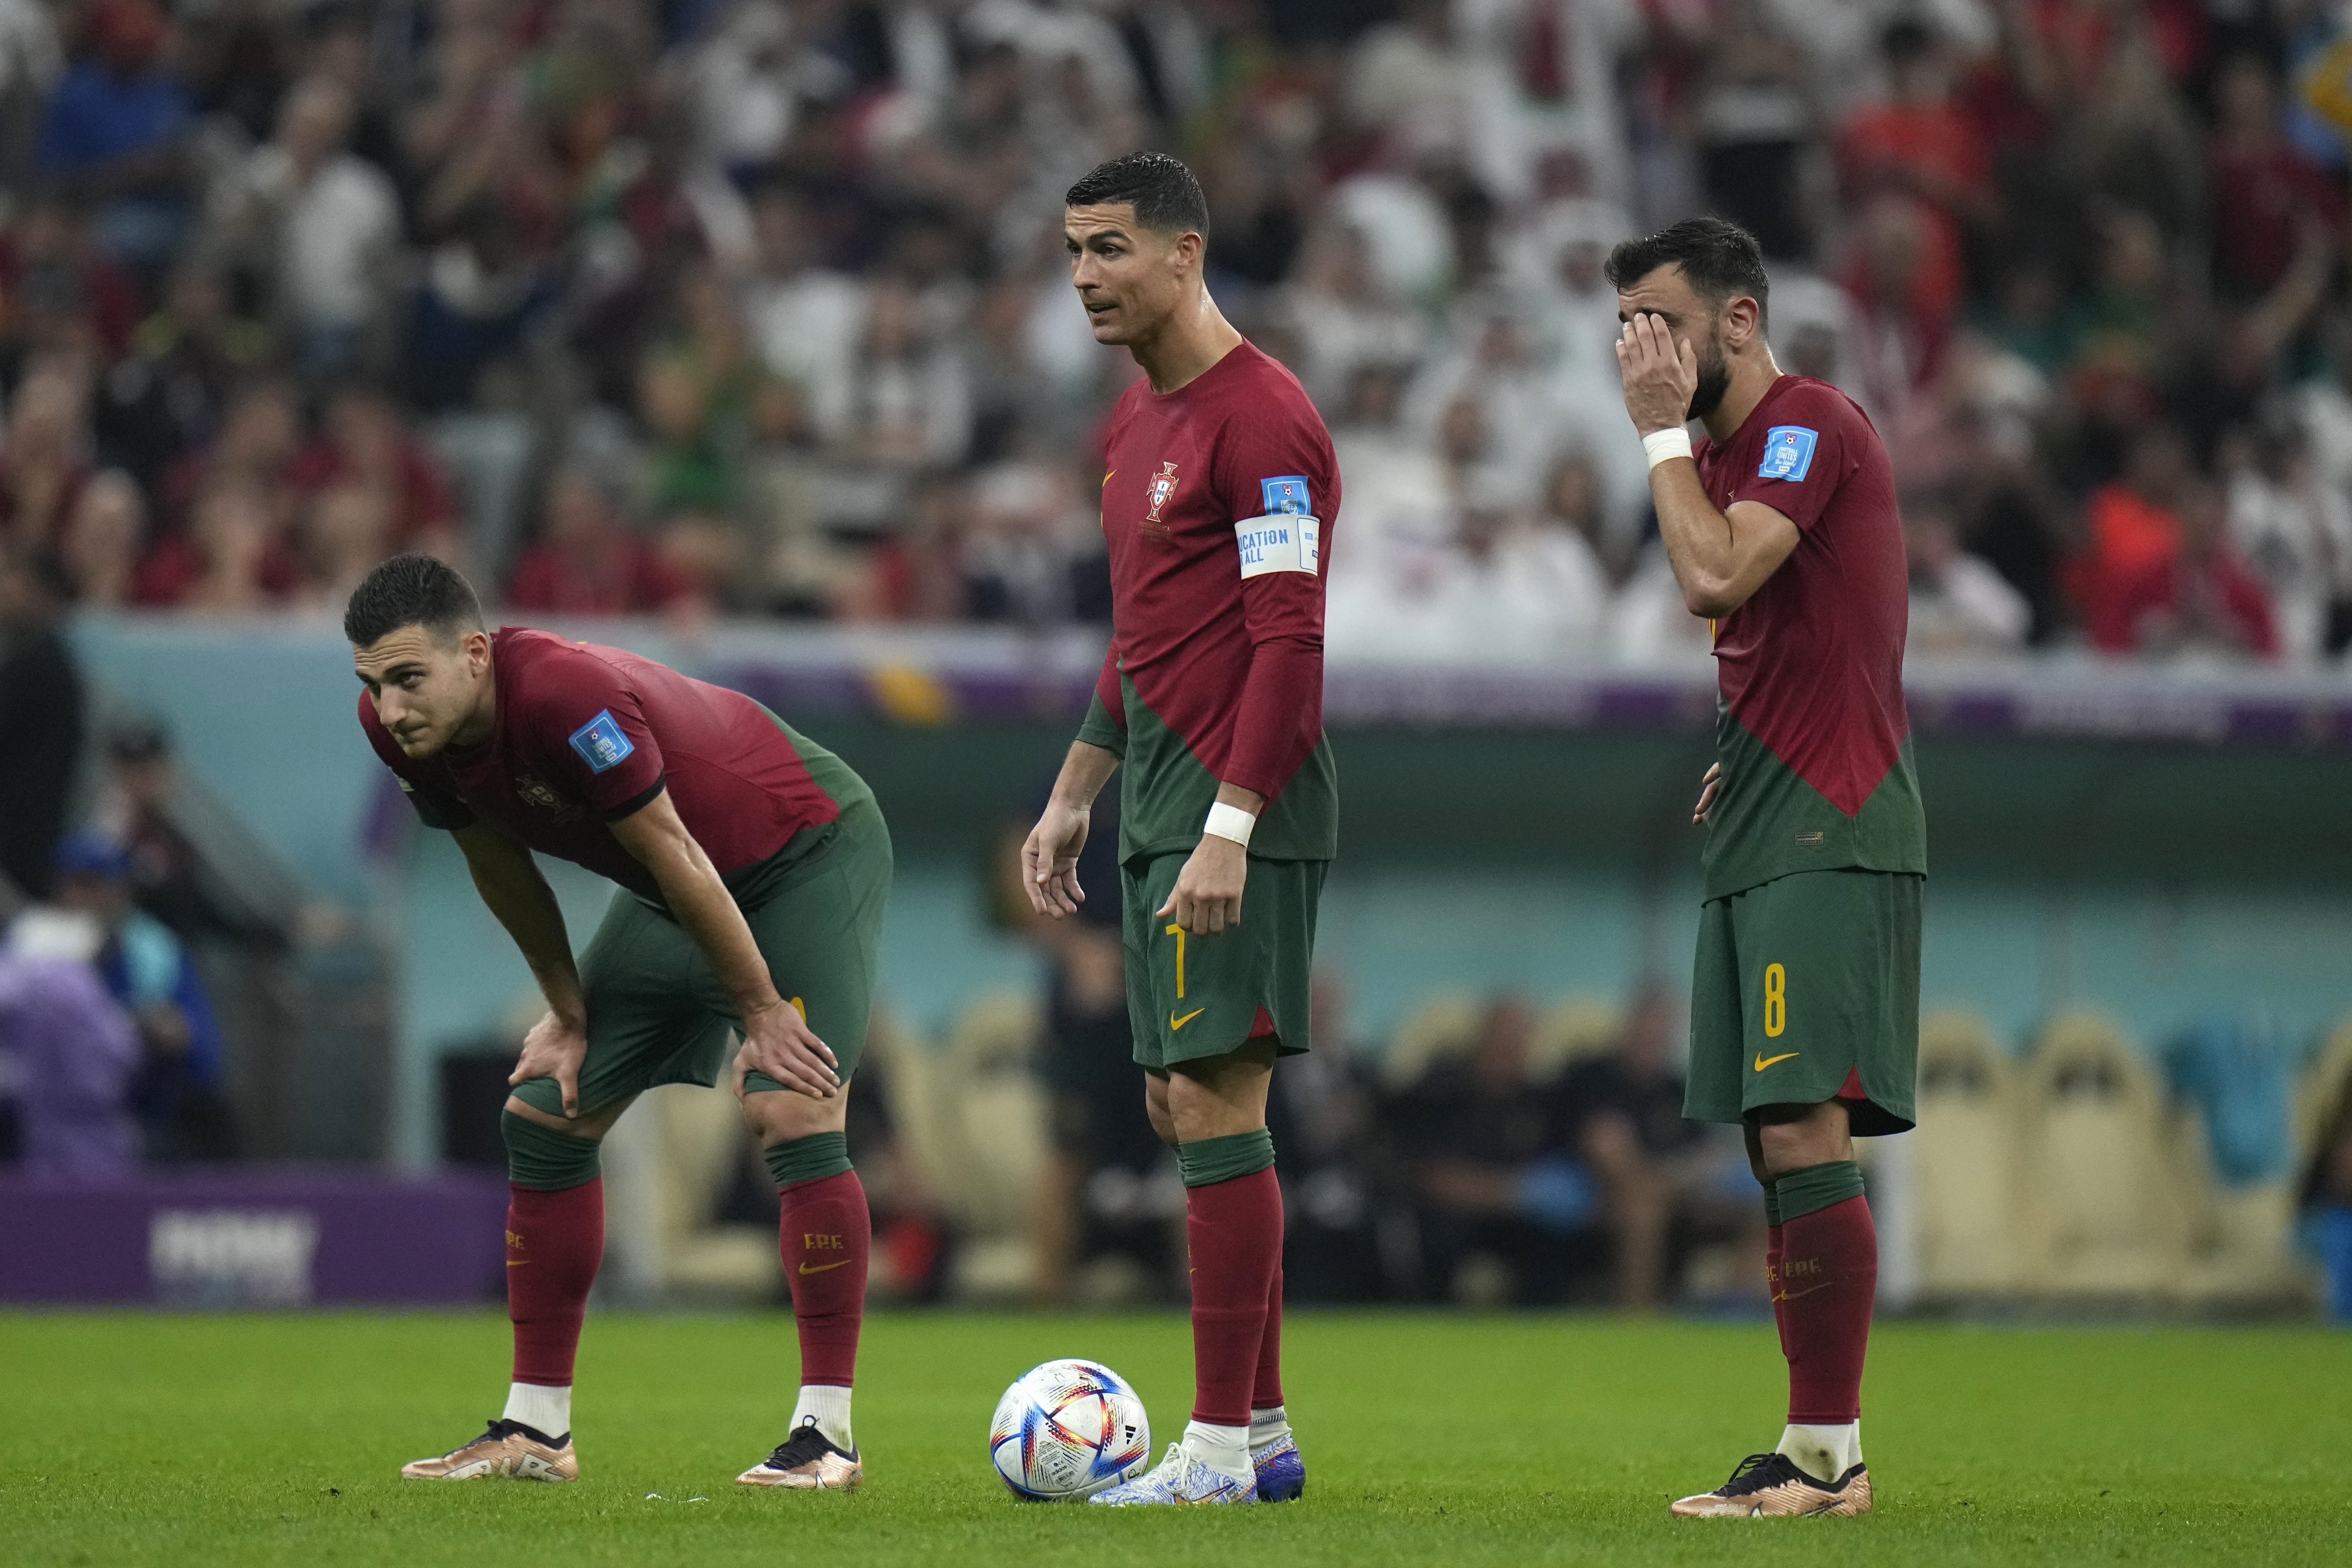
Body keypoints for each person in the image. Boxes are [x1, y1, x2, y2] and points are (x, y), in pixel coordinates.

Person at [344, 553, 891, 1491]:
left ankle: (825, 1434)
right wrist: (565, 1013)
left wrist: (760, 1011)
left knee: (790, 1104)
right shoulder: (405, 736)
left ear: (475, 654)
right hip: (681, 883)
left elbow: (673, 847)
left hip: (804, 851)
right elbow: (501, 867)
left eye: (407, 678)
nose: (389, 708)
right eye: (372, 685)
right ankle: (537, 1429)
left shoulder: (565, 695)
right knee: (546, 1109)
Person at [1021, 152, 1338, 1507]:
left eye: (1109, 248)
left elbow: (1289, 642)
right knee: (1171, 1098)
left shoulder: (1264, 421)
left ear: (1184, 253)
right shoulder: (1133, 431)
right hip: (1155, 800)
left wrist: (1232, 825)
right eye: (1072, 250)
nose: (1085, 275)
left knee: (1217, 1095)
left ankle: (1207, 1453)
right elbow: (1138, 639)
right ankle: (1257, 1436)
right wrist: (1074, 789)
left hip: (1233, 800)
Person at [1611, 216, 1927, 1517]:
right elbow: (1778, 627)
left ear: (1736, 320)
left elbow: (1715, 575)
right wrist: (1739, 741)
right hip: (1760, 804)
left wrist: (1650, 433)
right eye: (1626, 325)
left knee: (1806, 1122)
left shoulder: (1804, 423)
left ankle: (1825, 1458)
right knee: (1770, 1140)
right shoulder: (1734, 452)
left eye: (1662, 322)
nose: (1640, 349)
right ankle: (1813, 1449)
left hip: (1829, 818)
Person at [0, 547, 85, 906]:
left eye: (11, 578)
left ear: (41, 592)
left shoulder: (41, 668)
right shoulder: (40, 661)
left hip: (17, 849)